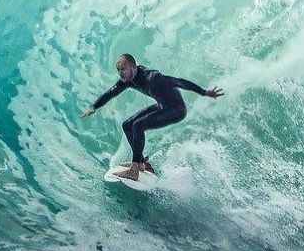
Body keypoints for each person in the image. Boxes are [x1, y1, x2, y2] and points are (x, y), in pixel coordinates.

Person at [82, 53, 223, 181]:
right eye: (118, 70)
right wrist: (94, 106)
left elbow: (179, 82)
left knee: (138, 125)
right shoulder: (128, 80)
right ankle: (141, 163)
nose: (120, 73)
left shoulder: (152, 78)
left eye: (123, 69)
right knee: (127, 125)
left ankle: (134, 169)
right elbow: (112, 92)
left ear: (133, 67)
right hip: (163, 106)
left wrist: (204, 92)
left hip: (176, 109)